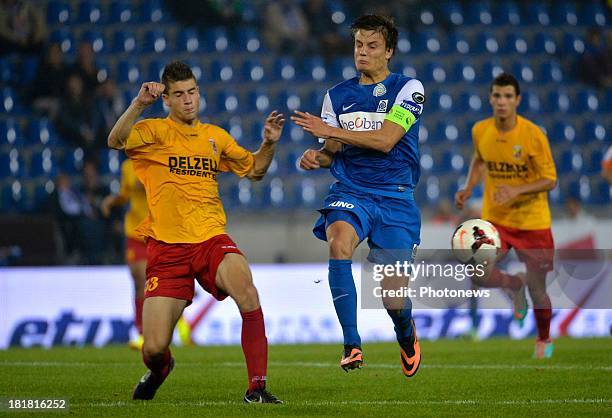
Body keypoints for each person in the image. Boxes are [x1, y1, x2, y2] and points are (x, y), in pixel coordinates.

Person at [107, 61, 284, 403]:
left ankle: (256, 388)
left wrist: (269, 144)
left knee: (247, 292)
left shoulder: (215, 138)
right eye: (179, 95)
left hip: (210, 239)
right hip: (167, 249)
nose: (187, 100)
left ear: (199, 94)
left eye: (192, 92)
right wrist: (139, 103)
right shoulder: (155, 132)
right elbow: (115, 140)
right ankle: (160, 370)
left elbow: (256, 170)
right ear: (167, 101)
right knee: (155, 347)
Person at [291, 15, 424, 377]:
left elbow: (385, 141)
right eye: (358, 45)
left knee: (394, 299)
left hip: (395, 198)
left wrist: (331, 131)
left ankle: (406, 331)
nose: (362, 52)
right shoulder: (336, 96)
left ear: (389, 51)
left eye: (372, 46)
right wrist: (316, 157)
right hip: (351, 191)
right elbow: (331, 151)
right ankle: (352, 343)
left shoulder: (409, 88)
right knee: (338, 243)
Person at [455, 73, 557, 359]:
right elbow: (479, 159)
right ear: (490, 98)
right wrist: (468, 187)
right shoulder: (480, 130)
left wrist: (516, 191)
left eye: (508, 96)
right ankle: (513, 284)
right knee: (477, 273)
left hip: (533, 223)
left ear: (517, 100)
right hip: (497, 221)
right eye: (497, 96)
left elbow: (550, 179)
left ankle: (544, 339)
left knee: (538, 290)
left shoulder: (533, 135)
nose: (502, 102)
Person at [101, 159, 193, 350]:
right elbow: (127, 193)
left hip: (159, 231)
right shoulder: (127, 166)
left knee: (159, 281)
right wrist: (115, 200)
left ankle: (175, 325)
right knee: (138, 281)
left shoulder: (161, 160)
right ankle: (142, 332)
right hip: (135, 231)